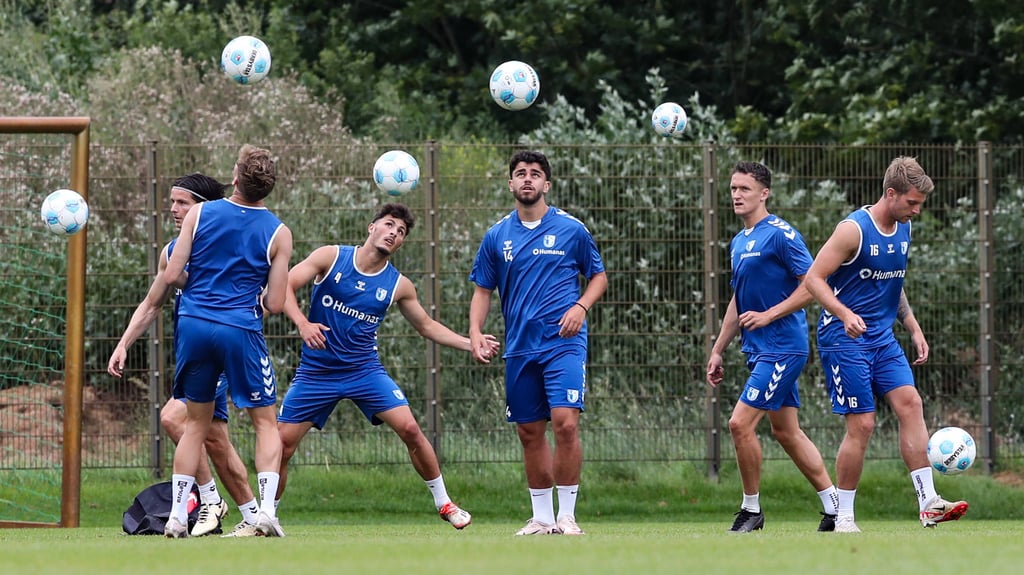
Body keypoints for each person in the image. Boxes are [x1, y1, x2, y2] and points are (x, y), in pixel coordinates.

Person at [275, 202, 500, 530]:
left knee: (410, 429)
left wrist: (471, 343)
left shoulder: (398, 285)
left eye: (401, 231)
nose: (394, 233)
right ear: (372, 227)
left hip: (365, 372)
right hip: (317, 374)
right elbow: (283, 288)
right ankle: (266, 515)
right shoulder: (331, 257)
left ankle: (445, 504)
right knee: (281, 445)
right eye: (389, 225)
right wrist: (302, 323)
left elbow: (425, 325)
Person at [803, 156, 968, 533]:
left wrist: (911, 324)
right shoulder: (853, 230)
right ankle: (843, 516)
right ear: (890, 193)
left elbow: (893, 280)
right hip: (843, 339)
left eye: (920, 204)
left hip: (882, 337)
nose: (916, 210)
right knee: (862, 424)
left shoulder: (904, 227)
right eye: (912, 202)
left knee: (911, 403)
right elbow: (813, 279)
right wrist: (844, 314)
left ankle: (928, 502)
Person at [107, 173, 259, 537]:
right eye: (172, 202)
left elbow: (266, 300)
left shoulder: (233, 247)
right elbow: (152, 303)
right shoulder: (173, 252)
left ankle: (210, 501)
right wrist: (123, 343)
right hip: (197, 354)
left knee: (174, 419)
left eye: (182, 203)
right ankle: (254, 516)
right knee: (217, 442)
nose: (174, 210)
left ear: (204, 210)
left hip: (227, 349)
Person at [468, 150, 608, 536]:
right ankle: (542, 518)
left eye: (535, 174)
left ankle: (567, 515)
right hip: (519, 347)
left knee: (564, 424)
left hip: (564, 343)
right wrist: (476, 333)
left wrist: (581, 306)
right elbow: (482, 289)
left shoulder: (571, 229)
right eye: (520, 173)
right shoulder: (497, 235)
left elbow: (598, 277)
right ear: (511, 183)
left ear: (547, 184)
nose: (527, 179)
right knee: (529, 432)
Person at [160, 144, 293, 538]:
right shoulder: (279, 233)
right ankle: (266, 511)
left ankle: (175, 517)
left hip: (195, 324)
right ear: (266, 190)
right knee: (265, 423)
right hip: (240, 329)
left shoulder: (199, 213)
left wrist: (202, 288)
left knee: (196, 424)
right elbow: (275, 301)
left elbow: (172, 275)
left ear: (234, 179)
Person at [704, 162, 839, 533]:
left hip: (783, 347)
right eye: (733, 188)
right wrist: (718, 349)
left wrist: (769, 315)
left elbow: (813, 283)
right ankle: (835, 508)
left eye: (744, 189)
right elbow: (738, 300)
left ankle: (751, 510)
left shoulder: (781, 234)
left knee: (739, 423)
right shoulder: (739, 241)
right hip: (760, 350)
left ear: (764, 193)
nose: (736, 195)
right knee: (786, 431)